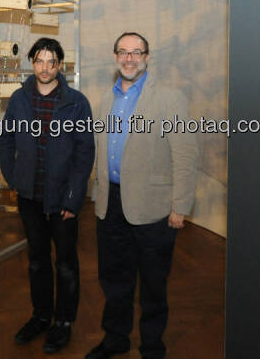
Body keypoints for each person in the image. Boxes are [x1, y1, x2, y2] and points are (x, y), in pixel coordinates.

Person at [87, 32, 199, 359]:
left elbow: (185, 155)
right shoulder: (106, 100)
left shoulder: (168, 98)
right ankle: (115, 340)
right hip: (111, 206)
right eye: (123, 52)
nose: (130, 58)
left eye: (137, 52)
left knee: (153, 285)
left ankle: (152, 346)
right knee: (113, 281)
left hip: (154, 210)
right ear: (115, 56)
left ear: (147, 57)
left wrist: (180, 207)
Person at [0, 37, 95, 353]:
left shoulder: (77, 102)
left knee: (65, 263)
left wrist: (73, 197)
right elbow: (7, 141)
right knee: (37, 262)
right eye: (39, 60)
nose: (45, 67)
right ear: (32, 62)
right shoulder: (19, 99)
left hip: (62, 201)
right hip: (29, 198)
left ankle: (63, 322)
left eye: (51, 61)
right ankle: (40, 316)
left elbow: (84, 153)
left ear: (59, 65)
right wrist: (14, 179)